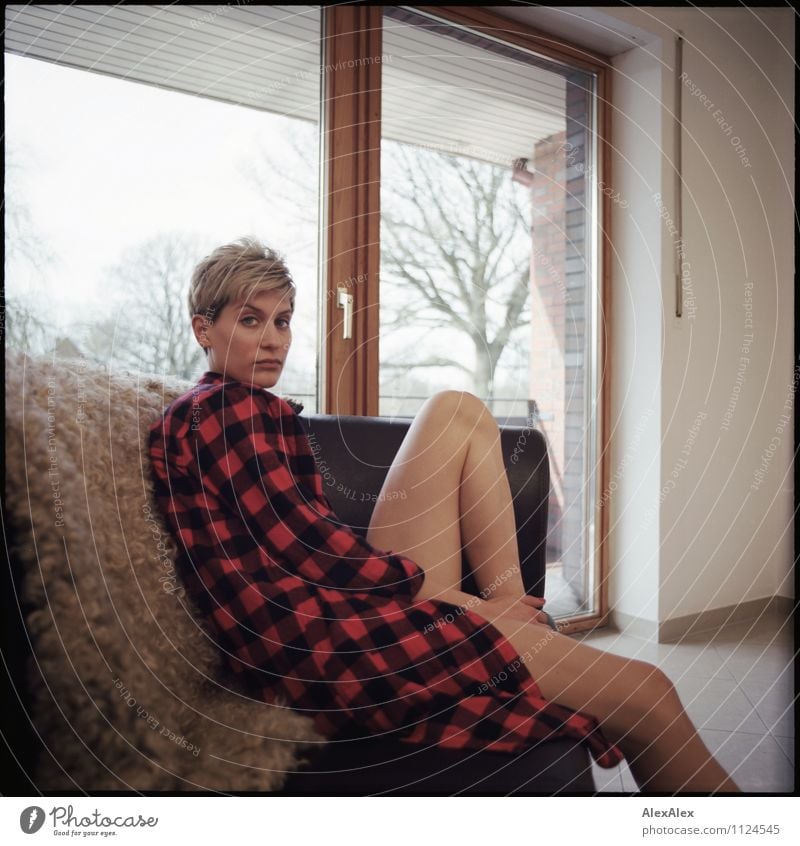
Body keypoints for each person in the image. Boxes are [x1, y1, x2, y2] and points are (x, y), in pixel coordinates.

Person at [148, 237, 739, 794]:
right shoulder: (221, 411)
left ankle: (512, 605)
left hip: (317, 618)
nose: (274, 339)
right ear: (205, 328)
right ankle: (503, 611)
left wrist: (474, 604)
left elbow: (298, 546)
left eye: (282, 321)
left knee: (456, 410)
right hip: (320, 643)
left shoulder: (241, 411)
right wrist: (461, 605)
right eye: (251, 320)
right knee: (648, 692)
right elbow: (313, 553)